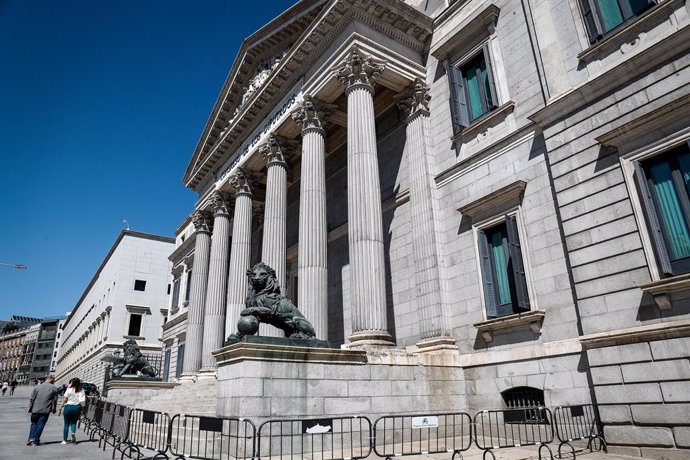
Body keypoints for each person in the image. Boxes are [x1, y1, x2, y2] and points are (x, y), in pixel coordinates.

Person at [27, 374, 58, 446]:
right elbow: (55, 400)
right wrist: (54, 409)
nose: (54, 381)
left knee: (33, 423)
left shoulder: (38, 386)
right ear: (51, 379)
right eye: (53, 380)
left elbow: (32, 398)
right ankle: (35, 440)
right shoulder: (53, 388)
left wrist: (29, 406)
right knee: (41, 424)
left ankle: (31, 438)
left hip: (35, 409)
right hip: (45, 409)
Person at [59, 378, 85, 445]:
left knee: (66, 424)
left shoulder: (69, 390)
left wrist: (60, 407)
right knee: (74, 423)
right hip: (77, 407)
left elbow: (64, 400)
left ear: (72, 383)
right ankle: (73, 433)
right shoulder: (81, 390)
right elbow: (82, 401)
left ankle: (64, 440)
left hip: (68, 407)